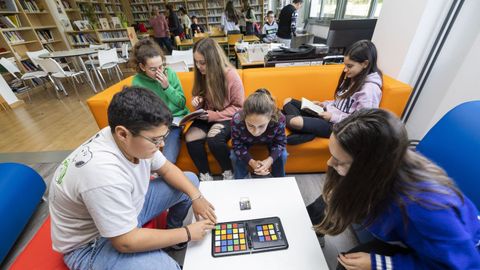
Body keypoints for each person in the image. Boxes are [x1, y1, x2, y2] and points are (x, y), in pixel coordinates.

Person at [49, 87, 217, 270]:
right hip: (92, 244)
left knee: (190, 182)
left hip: (125, 209)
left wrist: (196, 197)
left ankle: (170, 238)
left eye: (164, 137)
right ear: (123, 134)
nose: (161, 145)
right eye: (155, 140)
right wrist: (187, 232)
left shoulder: (129, 136)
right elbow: (125, 242)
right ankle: (174, 237)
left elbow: (167, 169)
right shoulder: (103, 174)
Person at [307, 108, 480, 269]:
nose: (330, 163)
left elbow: (462, 266)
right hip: (409, 227)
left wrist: (383, 264)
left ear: (370, 167)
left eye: (340, 161)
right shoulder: (387, 160)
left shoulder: (426, 209)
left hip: (449, 258)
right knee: (327, 201)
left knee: (348, 264)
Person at [283, 40, 382, 145]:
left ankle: (305, 129)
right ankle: (308, 130)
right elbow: (340, 102)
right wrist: (324, 104)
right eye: (345, 65)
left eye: (350, 66)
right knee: (288, 101)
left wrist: (333, 117)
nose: (345, 70)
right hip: (326, 114)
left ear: (365, 64)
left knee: (293, 121)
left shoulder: (370, 90)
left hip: (339, 126)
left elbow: (362, 123)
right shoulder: (353, 77)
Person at [185, 38, 244, 181]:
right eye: (196, 62)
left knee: (214, 138)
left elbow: (239, 107)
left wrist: (214, 116)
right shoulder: (201, 74)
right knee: (190, 136)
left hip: (226, 117)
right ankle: (205, 176)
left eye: (203, 62)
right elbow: (199, 95)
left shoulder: (231, 75)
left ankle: (228, 173)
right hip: (206, 115)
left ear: (214, 60)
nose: (199, 66)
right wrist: (198, 102)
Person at [131, 39, 189, 163]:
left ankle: (164, 171)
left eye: (161, 66)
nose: (159, 72)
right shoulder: (137, 82)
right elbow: (141, 111)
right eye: (153, 69)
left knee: (168, 157)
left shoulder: (170, 74)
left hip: (175, 121)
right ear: (142, 67)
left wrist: (167, 87)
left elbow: (181, 103)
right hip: (154, 123)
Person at [230, 89, 287, 179]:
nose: (256, 132)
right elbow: (237, 144)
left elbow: (280, 143)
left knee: (282, 154)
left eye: (261, 126)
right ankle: (241, 180)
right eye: (250, 125)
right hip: (245, 142)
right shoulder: (237, 119)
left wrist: (269, 160)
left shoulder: (279, 118)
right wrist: (251, 162)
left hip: (270, 141)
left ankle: (278, 180)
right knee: (234, 155)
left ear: (270, 118)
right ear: (244, 117)